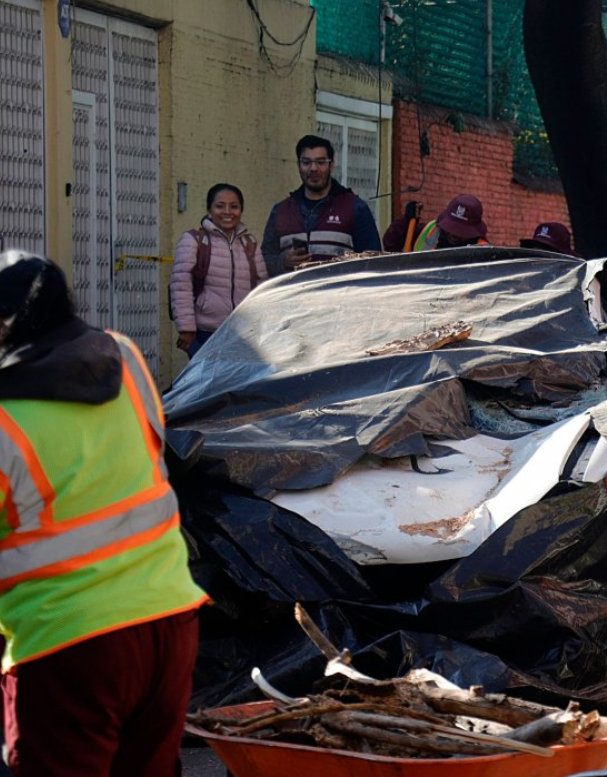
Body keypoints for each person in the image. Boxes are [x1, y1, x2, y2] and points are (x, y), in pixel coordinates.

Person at [0, 251, 208, 775]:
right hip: (169, 620)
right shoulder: (124, 359)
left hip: (68, 647)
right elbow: (149, 457)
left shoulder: (6, 420)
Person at [169, 183, 268, 358]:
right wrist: (186, 328)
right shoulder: (193, 240)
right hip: (205, 333)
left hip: (242, 335)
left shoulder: (250, 243)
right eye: (220, 206)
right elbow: (181, 286)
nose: (227, 212)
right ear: (209, 210)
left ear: (241, 211)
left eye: (234, 206)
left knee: (238, 385)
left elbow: (261, 288)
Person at [261, 135, 381, 275]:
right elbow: (263, 262)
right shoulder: (281, 211)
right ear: (298, 165)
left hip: (339, 294)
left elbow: (374, 262)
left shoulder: (354, 208)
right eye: (306, 162)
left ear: (331, 165)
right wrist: (283, 262)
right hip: (293, 296)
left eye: (320, 162)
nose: (313, 168)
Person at [412, 194, 492, 251]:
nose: (453, 234)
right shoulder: (429, 231)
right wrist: (405, 219)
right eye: (451, 227)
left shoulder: (484, 252)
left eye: (461, 232)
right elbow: (400, 237)